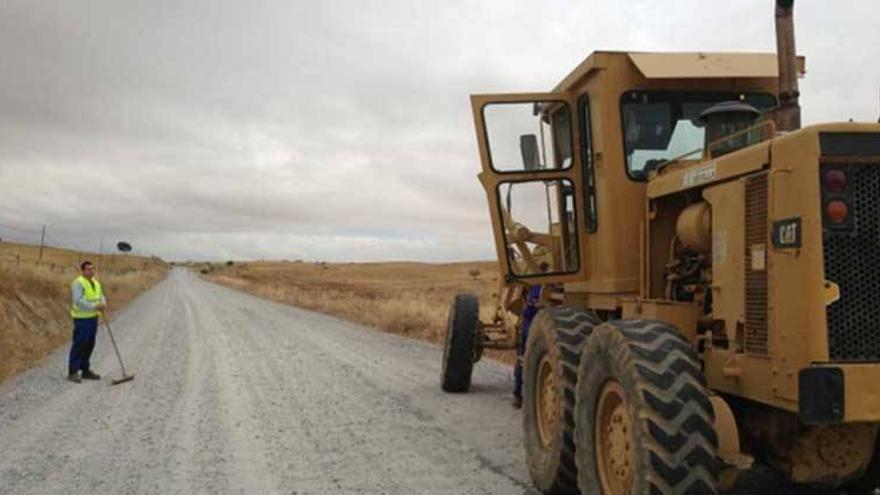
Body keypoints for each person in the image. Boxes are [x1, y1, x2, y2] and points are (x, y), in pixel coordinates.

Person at [68, 261, 106, 383]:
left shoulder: (96, 282)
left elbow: (101, 295)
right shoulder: (78, 283)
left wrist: (103, 303)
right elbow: (78, 301)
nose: (91, 271)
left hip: (93, 318)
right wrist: (96, 305)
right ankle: (73, 372)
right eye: (88, 269)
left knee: (90, 344)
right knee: (80, 343)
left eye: (92, 269)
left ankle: (85, 370)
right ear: (83, 270)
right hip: (82, 319)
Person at [512, 284, 542, 409]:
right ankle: (518, 393)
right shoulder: (538, 285)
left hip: (534, 322)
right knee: (524, 358)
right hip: (530, 323)